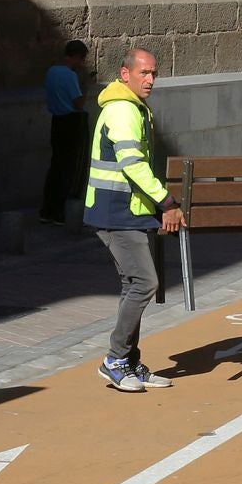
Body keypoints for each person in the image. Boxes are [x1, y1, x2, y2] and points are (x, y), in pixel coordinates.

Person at [84, 47, 184, 392]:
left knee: (133, 285)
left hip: (128, 212)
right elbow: (133, 164)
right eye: (144, 73)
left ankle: (127, 361)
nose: (151, 80)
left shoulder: (135, 108)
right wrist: (167, 202)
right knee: (145, 283)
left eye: (154, 73)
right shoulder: (123, 110)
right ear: (125, 74)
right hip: (115, 211)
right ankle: (114, 359)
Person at [40, 40, 90, 225]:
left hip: (56, 121)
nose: (82, 63)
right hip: (70, 120)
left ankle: (47, 209)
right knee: (68, 168)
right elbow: (78, 103)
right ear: (76, 56)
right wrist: (85, 87)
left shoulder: (51, 71)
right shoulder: (70, 76)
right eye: (82, 58)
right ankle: (59, 211)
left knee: (56, 166)